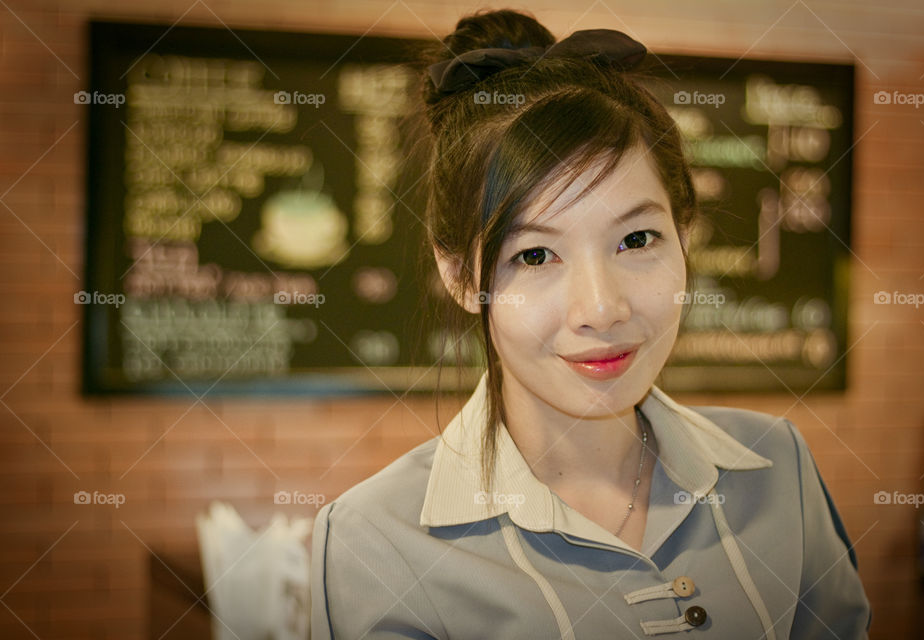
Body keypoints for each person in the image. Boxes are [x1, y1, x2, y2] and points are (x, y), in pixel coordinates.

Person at [310, 8, 872, 639]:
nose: (602, 309)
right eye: (534, 255)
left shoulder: (779, 471)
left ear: (684, 236)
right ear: (463, 278)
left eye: (636, 239)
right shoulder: (374, 543)